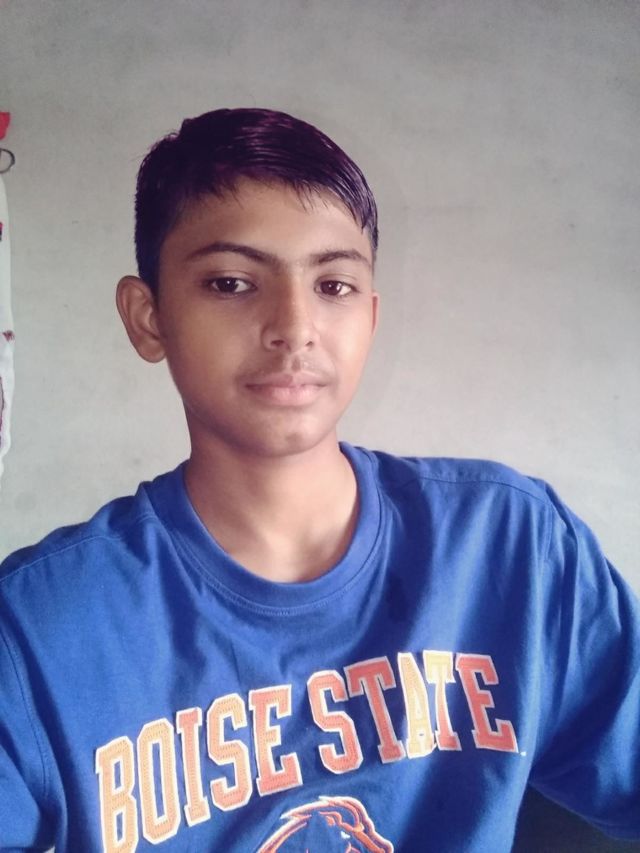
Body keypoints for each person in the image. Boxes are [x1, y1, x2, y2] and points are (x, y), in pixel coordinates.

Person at [0, 108, 638, 852]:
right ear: (149, 318)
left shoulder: (513, 549)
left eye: (334, 285)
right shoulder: (37, 630)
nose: (294, 326)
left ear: (371, 317)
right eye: (231, 282)